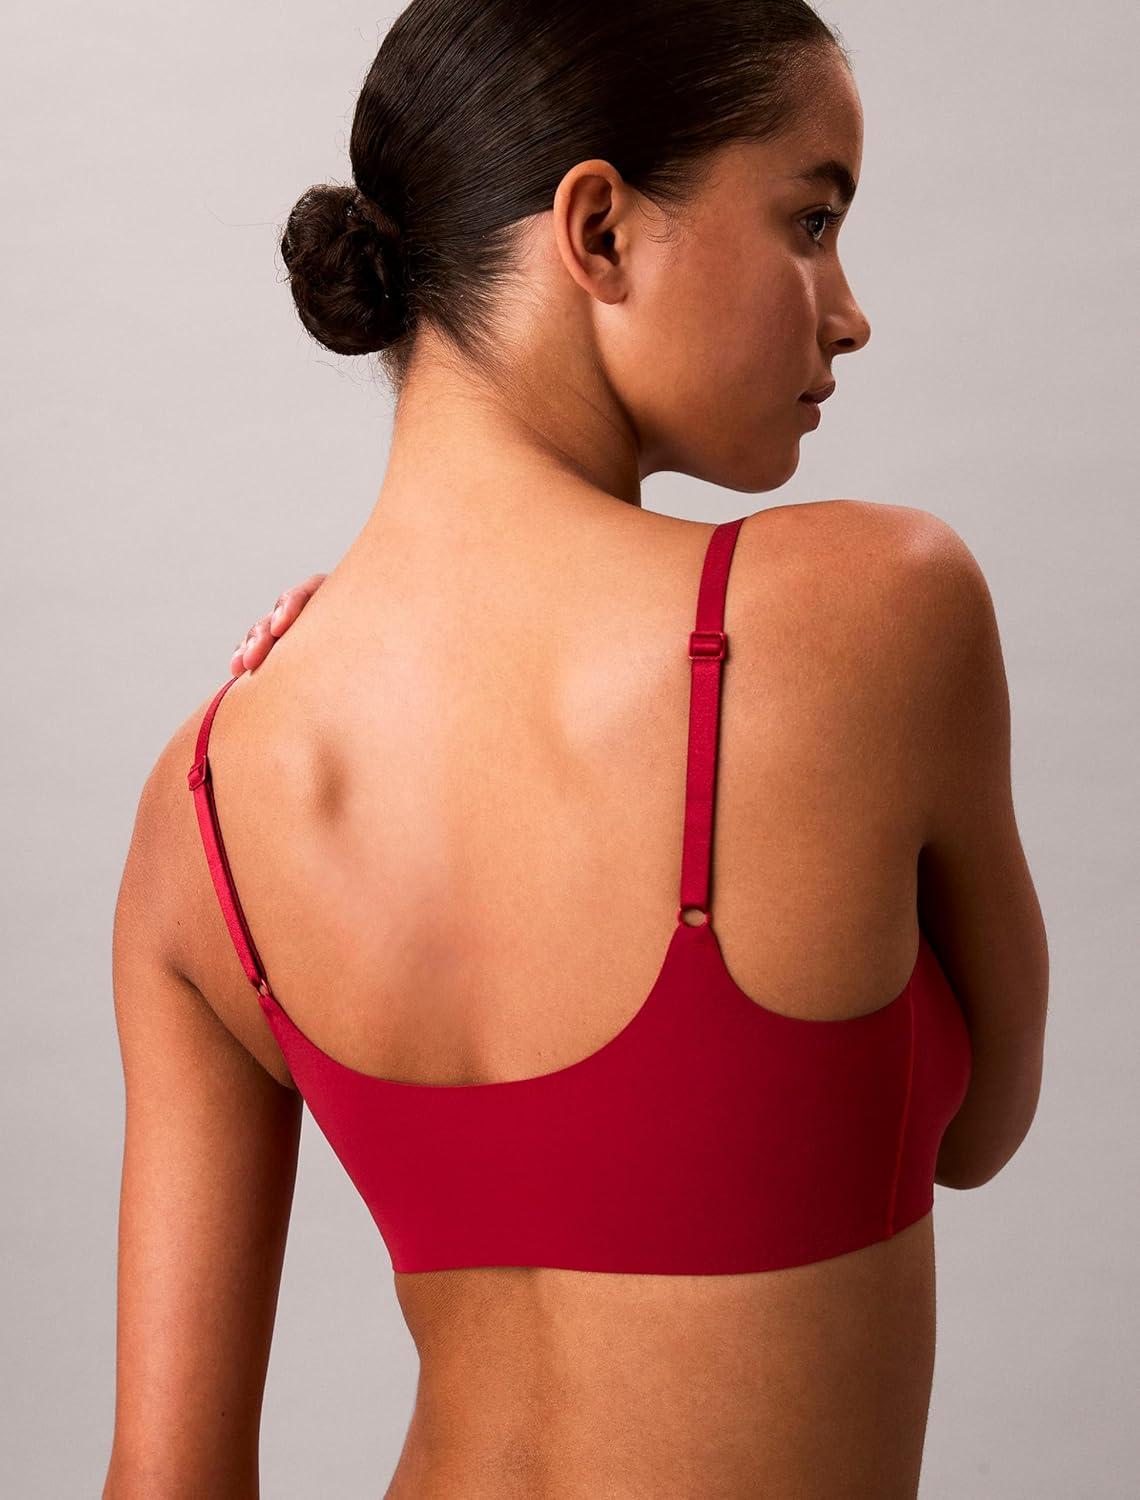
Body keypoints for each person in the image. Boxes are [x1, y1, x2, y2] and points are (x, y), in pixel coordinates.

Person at [104, 2, 1049, 1496]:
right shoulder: (875, 612)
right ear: (598, 230)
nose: (848, 310)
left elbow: (163, 1482)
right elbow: (978, 1130)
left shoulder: (208, 800)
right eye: (810, 220)